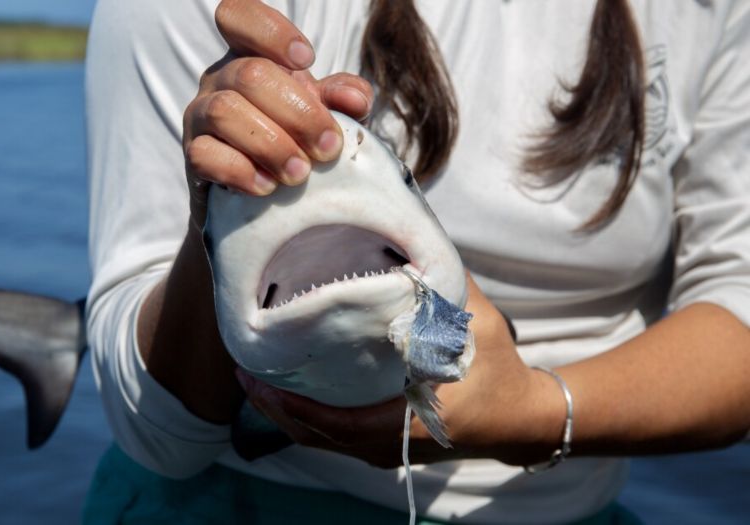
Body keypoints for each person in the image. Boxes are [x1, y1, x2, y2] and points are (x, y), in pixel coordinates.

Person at [82, 0, 750, 523]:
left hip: (565, 508)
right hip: (230, 501)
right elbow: (159, 437)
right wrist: (217, 212)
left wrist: (536, 413)